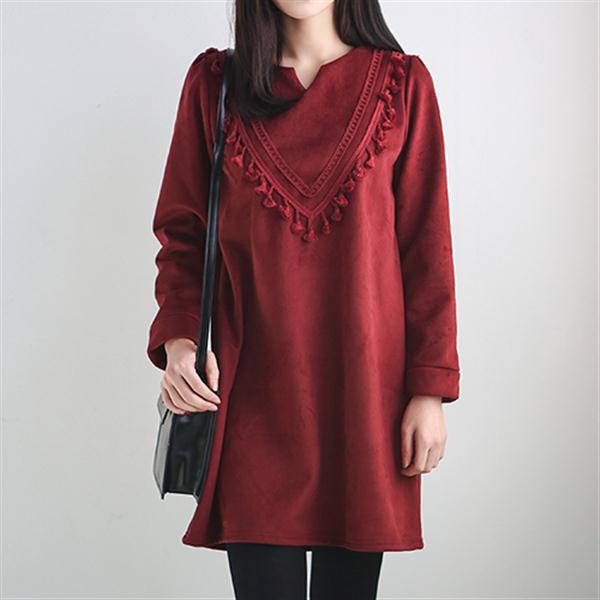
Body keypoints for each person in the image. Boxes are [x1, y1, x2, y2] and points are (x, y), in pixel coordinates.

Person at [147, 0, 461, 597]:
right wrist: (181, 344)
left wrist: (429, 391)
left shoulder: (403, 85)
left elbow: (428, 252)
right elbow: (183, 236)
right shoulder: (215, 85)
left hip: (366, 400)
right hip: (250, 397)